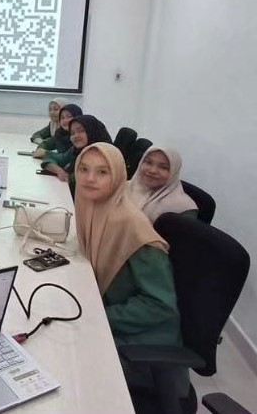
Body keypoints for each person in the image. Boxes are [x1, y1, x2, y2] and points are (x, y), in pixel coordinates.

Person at [73, 142, 187, 398]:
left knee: (64, 356)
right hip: (114, 317)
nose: (89, 179)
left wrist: (97, 315)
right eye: (83, 169)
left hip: (143, 344)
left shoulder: (132, 227)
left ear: (117, 177)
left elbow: (160, 306)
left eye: (102, 172)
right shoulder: (95, 207)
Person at [128, 147, 198, 222]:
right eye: (148, 162)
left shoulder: (183, 208)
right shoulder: (125, 187)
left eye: (163, 167)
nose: (153, 171)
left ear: (174, 172)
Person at [40, 114, 112, 186]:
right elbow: (50, 158)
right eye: (72, 133)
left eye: (81, 131)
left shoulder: (105, 156)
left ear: (92, 131)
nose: (76, 136)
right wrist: (59, 171)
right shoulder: (76, 150)